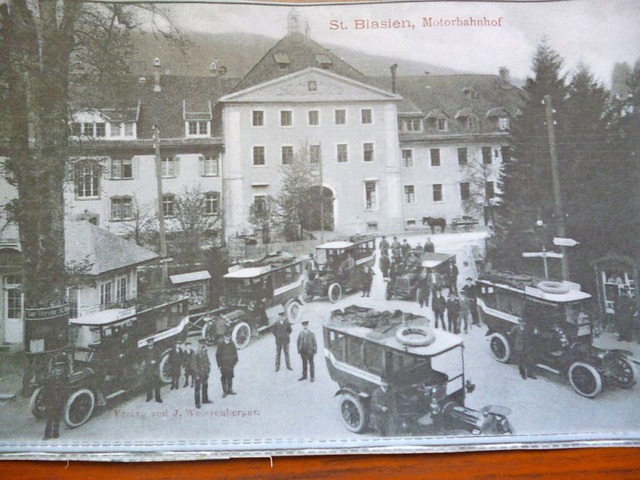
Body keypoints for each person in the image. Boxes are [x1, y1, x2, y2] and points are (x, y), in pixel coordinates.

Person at [41, 360, 69, 440]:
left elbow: (66, 388)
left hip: (60, 399)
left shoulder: (64, 376)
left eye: (60, 366)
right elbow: (46, 388)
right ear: (54, 367)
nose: (59, 368)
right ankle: (47, 435)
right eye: (57, 366)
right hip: (51, 399)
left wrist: (64, 398)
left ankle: (56, 433)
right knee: (50, 417)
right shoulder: (50, 376)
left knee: (57, 417)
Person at [511, 313, 537, 380]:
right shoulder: (515, 328)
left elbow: (530, 336)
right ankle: (523, 374)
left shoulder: (528, 329)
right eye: (521, 322)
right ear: (519, 322)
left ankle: (530, 374)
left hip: (526, 346)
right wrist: (516, 343)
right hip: (519, 347)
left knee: (529, 360)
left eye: (524, 322)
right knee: (521, 361)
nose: (522, 323)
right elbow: (511, 335)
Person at [216, 333, 239, 398]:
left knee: (230, 376)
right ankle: (224, 392)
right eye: (226, 337)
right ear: (224, 337)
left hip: (230, 364)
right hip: (223, 365)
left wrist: (236, 360)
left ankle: (230, 390)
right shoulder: (221, 345)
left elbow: (235, 352)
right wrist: (219, 365)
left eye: (229, 337)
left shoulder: (232, 344)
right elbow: (218, 355)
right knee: (224, 378)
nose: (228, 338)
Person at [193, 338, 212, 408]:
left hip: (205, 373)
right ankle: (197, 403)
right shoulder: (196, 353)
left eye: (203, 344)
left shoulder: (205, 351)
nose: (202, 345)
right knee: (197, 388)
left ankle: (205, 399)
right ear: (199, 344)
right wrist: (196, 375)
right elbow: (194, 365)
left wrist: (208, 370)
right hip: (199, 373)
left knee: (205, 386)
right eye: (201, 344)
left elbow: (207, 361)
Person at [143, 338, 162, 403]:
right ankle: (149, 396)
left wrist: (155, 361)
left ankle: (158, 398)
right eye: (148, 342)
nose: (150, 343)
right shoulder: (145, 350)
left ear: (153, 342)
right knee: (149, 384)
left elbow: (160, 357)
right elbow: (143, 358)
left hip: (155, 369)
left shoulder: (156, 349)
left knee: (157, 384)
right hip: (148, 369)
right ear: (147, 343)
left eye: (151, 341)